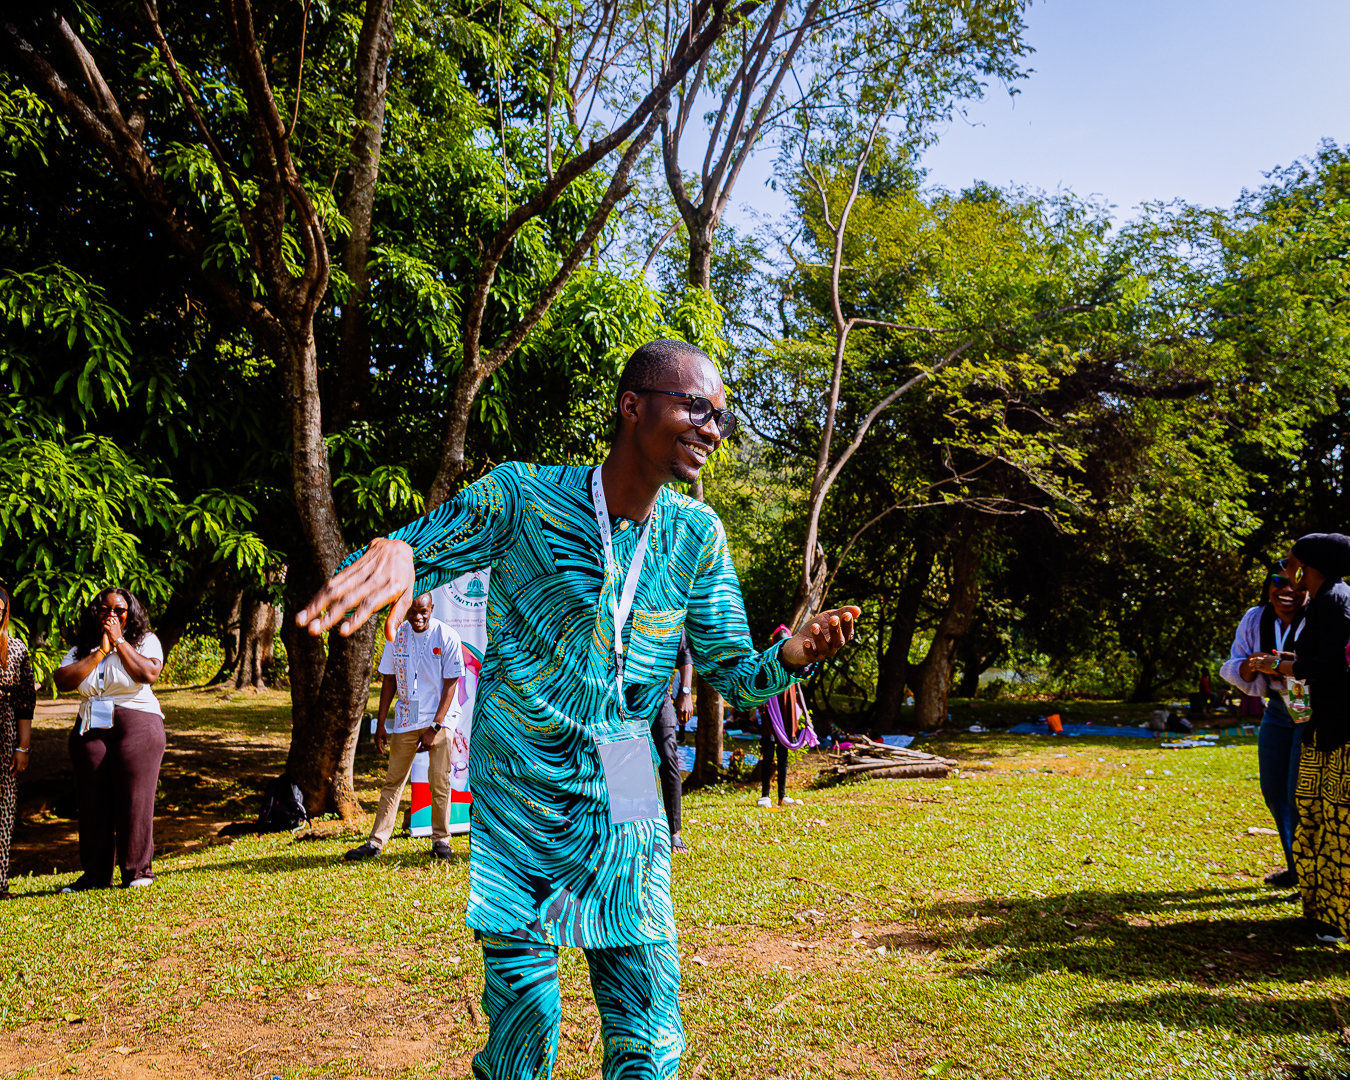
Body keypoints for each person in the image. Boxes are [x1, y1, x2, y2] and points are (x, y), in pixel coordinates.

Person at [296, 339, 860, 1080]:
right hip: (522, 776)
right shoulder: (523, 497)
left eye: (719, 416)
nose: (712, 428)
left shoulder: (695, 535)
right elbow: (402, 555)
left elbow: (733, 671)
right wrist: (400, 550)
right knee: (527, 1014)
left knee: (647, 999)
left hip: (626, 768)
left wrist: (789, 658)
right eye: (696, 406)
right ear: (633, 406)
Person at [1252, 534, 1350, 943]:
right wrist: (1284, 661)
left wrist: (1281, 664)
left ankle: (1338, 919)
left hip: (1337, 727)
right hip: (1319, 725)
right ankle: (1321, 907)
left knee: (1335, 822)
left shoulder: (1334, 602)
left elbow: (1334, 666)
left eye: (1294, 558)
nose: (1286, 565)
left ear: (1313, 561)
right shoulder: (1327, 596)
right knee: (1311, 812)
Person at [54, 588, 165, 890]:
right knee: (91, 802)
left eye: (119, 610)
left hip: (137, 722)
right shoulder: (83, 647)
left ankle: (138, 872)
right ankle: (95, 876)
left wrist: (119, 641)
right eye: (105, 610)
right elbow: (62, 680)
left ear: (130, 613)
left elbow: (148, 673)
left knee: (134, 799)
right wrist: (100, 652)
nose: (111, 615)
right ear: (96, 612)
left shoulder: (145, 640)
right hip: (91, 725)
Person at [346, 593, 463, 862]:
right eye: (412, 612)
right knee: (393, 781)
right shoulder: (396, 635)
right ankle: (376, 842)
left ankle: (441, 840)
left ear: (432, 608)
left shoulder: (447, 636)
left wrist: (434, 727)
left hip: (439, 719)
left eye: (423, 611)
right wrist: (381, 722)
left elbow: (451, 684)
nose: (417, 617)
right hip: (407, 719)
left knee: (439, 780)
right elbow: (389, 679)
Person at [1219, 561, 1307, 887]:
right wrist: (1250, 667)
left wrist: (1281, 665)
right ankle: (1296, 866)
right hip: (1277, 708)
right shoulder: (1255, 618)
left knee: (1300, 792)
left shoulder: (1320, 616)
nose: (1286, 590)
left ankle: (1310, 872)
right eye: (1278, 581)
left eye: (1296, 584)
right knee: (1273, 790)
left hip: (1309, 707)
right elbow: (1235, 663)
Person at [756, 624, 817, 809]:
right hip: (771, 712)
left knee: (783, 756)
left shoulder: (794, 664)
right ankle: (765, 795)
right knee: (767, 753)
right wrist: (760, 702)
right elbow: (757, 686)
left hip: (788, 713)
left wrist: (806, 716)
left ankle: (782, 796)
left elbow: (798, 690)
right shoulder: (766, 662)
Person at [0, 587, 35, 900]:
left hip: (4, 731)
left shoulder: (16, 649)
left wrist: (23, 747)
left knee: (3, 808)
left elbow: (26, 701)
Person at [649, 629, 693, 854]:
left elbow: (684, 654)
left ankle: (674, 832)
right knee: (630, 760)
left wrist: (685, 692)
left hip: (660, 696)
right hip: (625, 697)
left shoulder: (669, 608)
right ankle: (637, 829)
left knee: (668, 757)